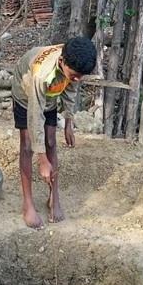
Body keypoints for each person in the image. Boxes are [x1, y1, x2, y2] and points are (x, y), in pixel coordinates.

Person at [11, 37, 97, 229]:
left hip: (51, 94)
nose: (77, 79)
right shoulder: (41, 75)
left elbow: (72, 88)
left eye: (81, 76)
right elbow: (35, 116)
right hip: (27, 94)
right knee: (27, 146)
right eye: (74, 75)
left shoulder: (75, 64)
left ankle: (54, 196)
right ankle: (28, 205)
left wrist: (68, 121)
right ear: (62, 62)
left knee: (51, 141)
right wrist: (42, 160)